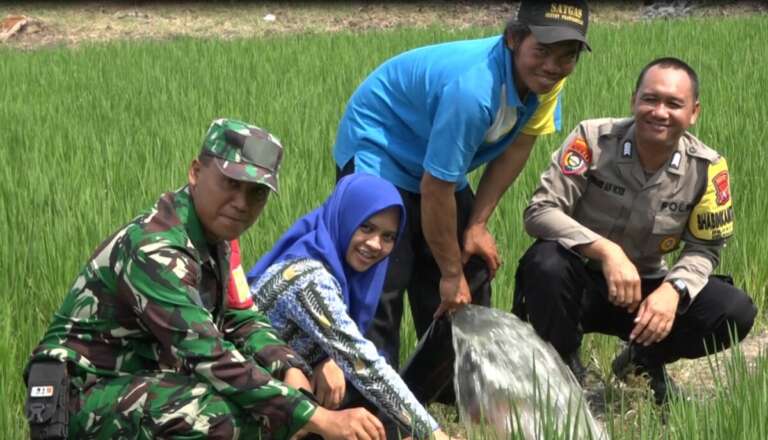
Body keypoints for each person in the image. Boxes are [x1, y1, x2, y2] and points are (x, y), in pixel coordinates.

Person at [24, 119, 385, 439]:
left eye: (256, 193)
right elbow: (207, 355)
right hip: (80, 394)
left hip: (141, 380)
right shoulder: (155, 250)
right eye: (231, 183)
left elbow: (240, 318)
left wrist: (288, 365)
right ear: (196, 172)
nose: (242, 203)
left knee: (270, 404)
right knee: (222, 415)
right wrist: (315, 416)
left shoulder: (219, 240)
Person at [332, 0, 592, 402]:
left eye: (567, 55)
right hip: (381, 148)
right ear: (513, 39)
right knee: (383, 276)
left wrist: (476, 225)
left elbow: (517, 147)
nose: (553, 65)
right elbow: (436, 186)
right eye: (541, 50)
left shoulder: (545, 81)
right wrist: (447, 273)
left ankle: (451, 392)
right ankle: (370, 404)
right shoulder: (474, 89)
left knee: (471, 268)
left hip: (434, 159)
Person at [512, 58, 757, 404]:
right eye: (650, 99)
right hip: (577, 284)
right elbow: (540, 211)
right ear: (634, 100)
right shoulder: (592, 140)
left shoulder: (706, 168)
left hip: (643, 294)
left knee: (733, 309)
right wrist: (607, 252)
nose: (659, 112)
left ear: (694, 112)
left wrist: (674, 289)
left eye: (674, 104)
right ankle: (564, 366)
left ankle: (642, 361)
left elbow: (705, 247)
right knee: (545, 262)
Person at [247, 173, 448, 440]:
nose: (375, 244)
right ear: (345, 218)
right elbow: (364, 365)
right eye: (366, 227)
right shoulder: (309, 279)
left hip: (274, 396)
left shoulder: (333, 264)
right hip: (239, 405)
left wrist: (325, 358)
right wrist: (433, 434)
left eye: (388, 236)